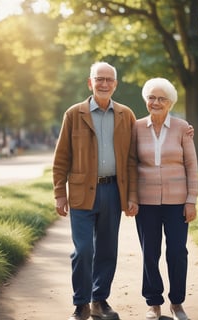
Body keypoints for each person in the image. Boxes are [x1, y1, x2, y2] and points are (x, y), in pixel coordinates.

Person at [52, 61, 139, 320]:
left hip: (113, 191)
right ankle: (81, 303)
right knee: (83, 250)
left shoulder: (126, 115)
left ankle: (100, 301)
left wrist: (132, 195)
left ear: (115, 84)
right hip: (81, 193)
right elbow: (61, 158)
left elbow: (133, 159)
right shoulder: (74, 114)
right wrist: (59, 193)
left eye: (108, 79)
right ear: (90, 83)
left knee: (107, 249)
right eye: (98, 79)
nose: (103, 84)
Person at [128, 78, 198, 320]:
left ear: (170, 103)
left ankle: (177, 303)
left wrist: (192, 200)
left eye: (161, 98)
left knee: (178, 252)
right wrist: (131, 197)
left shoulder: (182, 128)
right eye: (151, 97)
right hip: (145, 202)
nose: (156, 102)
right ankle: (153, 303)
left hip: (178, 202)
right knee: (150, 252)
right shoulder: (134, 127)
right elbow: (129, 164)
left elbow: (191, 165)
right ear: (146, 100)